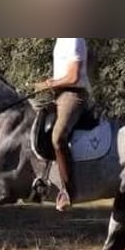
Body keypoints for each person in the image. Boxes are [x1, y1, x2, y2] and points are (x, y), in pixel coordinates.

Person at [34, 38, 91, 211]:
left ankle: (67, 192)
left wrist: (49, 83)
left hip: (73, 95)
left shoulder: (75, 40)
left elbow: (73, 77)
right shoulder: (60, 41)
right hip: (58, 94)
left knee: (58, 137)